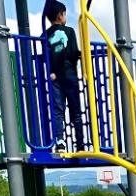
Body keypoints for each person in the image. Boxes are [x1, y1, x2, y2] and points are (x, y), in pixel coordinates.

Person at [44, 0, 84, 153]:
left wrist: (51, 71)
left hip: (55, 77)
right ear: (60, 15)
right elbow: (74, 52)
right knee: (76, 111)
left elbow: (47, 56)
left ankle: (60, 143)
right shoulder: (69, 31)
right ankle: (80, 145)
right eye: (64, 14)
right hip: (70, 76)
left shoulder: (45, 34)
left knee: (58, 110)